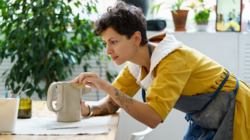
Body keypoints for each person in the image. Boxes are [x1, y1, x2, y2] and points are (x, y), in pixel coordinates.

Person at [72, 1, 250, 139]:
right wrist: (88, 109)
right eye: (105, 43)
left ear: (136, 38)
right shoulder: (135, 65)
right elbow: (114, 102)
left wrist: (107, 87)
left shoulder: (172, 60)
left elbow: (153, 118)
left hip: (235, 108)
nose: (108, 51)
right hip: (206, 116)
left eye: (113, 42)